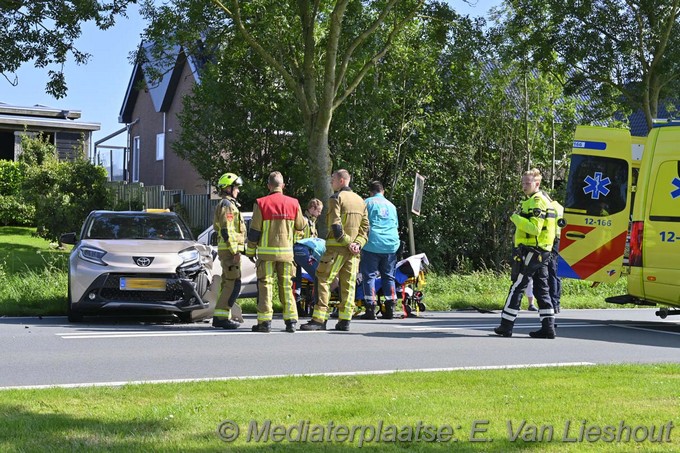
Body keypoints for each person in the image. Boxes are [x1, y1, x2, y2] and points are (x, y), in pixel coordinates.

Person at [301, 169, 369, 332]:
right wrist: (357, 244)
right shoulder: (361, 201)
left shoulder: (336, 198)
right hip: (354, 253)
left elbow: (336, 226)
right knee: (348, 284)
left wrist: (348, 243)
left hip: (337, 249)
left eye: (333, 179)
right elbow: (366, 229)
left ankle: (319, 319)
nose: (331, 182)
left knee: (323, 278)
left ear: (341, 181)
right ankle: (344, 320)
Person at [494, 168, 557, 339]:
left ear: (537, 183)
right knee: (541, 289)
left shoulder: (537, 202)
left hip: (533, 250)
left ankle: (506, 325)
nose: (524, 186)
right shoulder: (540, 200)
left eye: (527, 183)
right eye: (522, 183)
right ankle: (548, 327)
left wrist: (515, 217)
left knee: (518, 285)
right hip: (541, 251)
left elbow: (534, 229)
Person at [246, 171, 306, 333]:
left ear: (269, 186)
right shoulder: (294, 203)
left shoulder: (261, 203)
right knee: (286, 287)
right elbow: (301, 226)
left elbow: (254, 231)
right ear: (283, 185)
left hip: (266, 255)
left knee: (266, 286)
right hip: (287, 255)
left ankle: (265, 323)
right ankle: (291, 321)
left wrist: (251, 251)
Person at [360, 181, 400, 320]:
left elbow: (362, 222)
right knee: (388, 276)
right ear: (383, 191)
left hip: (372, 243)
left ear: (370, 192)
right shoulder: (392, 205)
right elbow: (395, 224)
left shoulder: (367, 203)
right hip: (390, 244)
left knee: (369, 275)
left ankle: (370, 308)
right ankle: (390, 308)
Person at [212, 172, 246, 330]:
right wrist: (235, 252)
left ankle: (222, 316)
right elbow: (227, 231)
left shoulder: (228, 204)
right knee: (233, 284)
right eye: (236, 187)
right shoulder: (227, 205)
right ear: (227, 188)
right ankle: (221, 317)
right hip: (229, 252)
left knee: (229, 283)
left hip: (229, 251)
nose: (238, 190)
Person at [293, 199, 323, 306]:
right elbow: (299, 238)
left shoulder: (312, 222)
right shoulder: (304, 221)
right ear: (312, 208)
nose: (320, 213)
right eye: (318, 211)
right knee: (317, 274)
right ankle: (316, 301)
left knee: (298, 278)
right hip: (302, 252)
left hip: (305, 252)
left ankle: (299, 298)